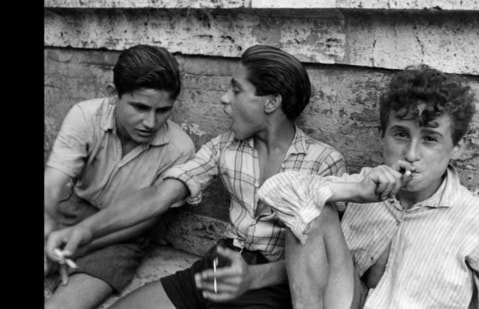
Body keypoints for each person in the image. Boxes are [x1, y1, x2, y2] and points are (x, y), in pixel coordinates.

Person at [46, 45, 347, 308]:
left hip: (271, 281)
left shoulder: (323, 162)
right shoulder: (223, 146)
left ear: (271, 102)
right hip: (219, 264)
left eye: (236, 90)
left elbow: (330, 260)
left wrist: (253, 278)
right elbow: (160, 194)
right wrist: (86, 231)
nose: (224, 99)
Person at [258, 64, 479, 308]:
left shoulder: (477, 219)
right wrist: (356, 192)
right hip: (348, 300)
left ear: (457, 147)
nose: (410, 154)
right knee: (314, 206)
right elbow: (275, 191)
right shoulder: (365, 185)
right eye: (400, 134)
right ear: (382, 135)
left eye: (430, 139)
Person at [44, 44, 195, 309]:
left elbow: (145, 219)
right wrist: (48, 225)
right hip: (70, 211)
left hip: (122, 236)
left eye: (162, 110)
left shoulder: (179, 148)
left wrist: (83, 243)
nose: (150, 122)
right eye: (140, 107)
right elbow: (53, 186)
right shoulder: (86, 115)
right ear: (113, 95)